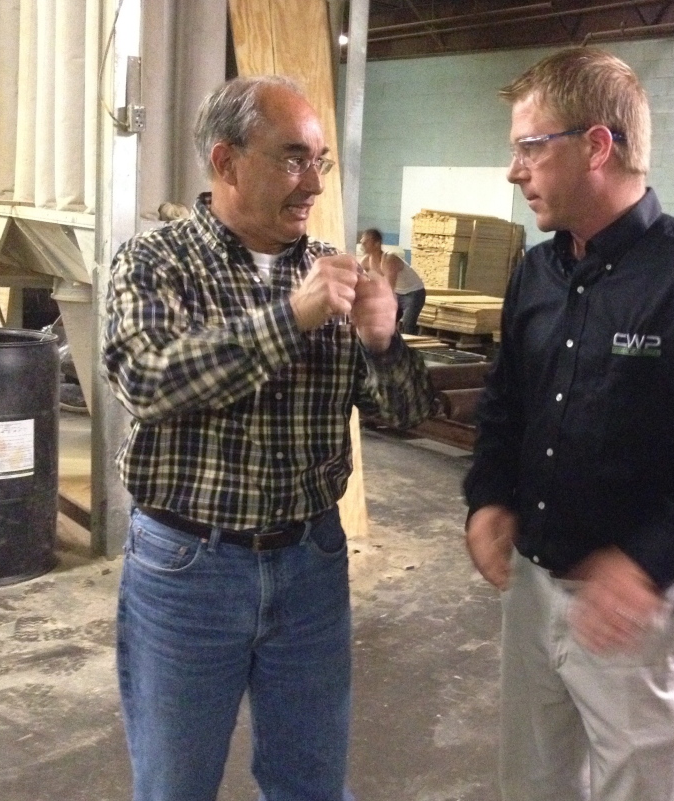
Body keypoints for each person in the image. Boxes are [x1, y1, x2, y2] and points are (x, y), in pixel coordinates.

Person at [463, 47, 674, 801]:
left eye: (527, 146)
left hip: (637, 606)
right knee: (533, 782)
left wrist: (646, 562)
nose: (514, 171)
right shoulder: (537, 273)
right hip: (534, 580)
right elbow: (505, 402)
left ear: (597, 145)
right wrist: (487, 493)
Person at [103, 74, 434, 801]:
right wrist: (291, 318)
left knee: (311, 783)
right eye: (292, 159)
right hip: (189, 569)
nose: (312, 182)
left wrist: (384, 343)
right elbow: (150, 383)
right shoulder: (156, 262)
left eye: (320, 160)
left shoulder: (331, 272)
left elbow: (408, 415)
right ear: (225, 161)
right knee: (174, 783)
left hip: (310, 564)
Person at [359, 228, 426, 334]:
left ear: (377, 244)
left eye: (366, 242)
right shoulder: (366, 261)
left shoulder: (389, 259)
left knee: (407, 325)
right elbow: (357, 280)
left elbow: (389, 289)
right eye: (362, 241)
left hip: (413, 294)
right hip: (398, 293)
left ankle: (408, 349)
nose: (362, 244)